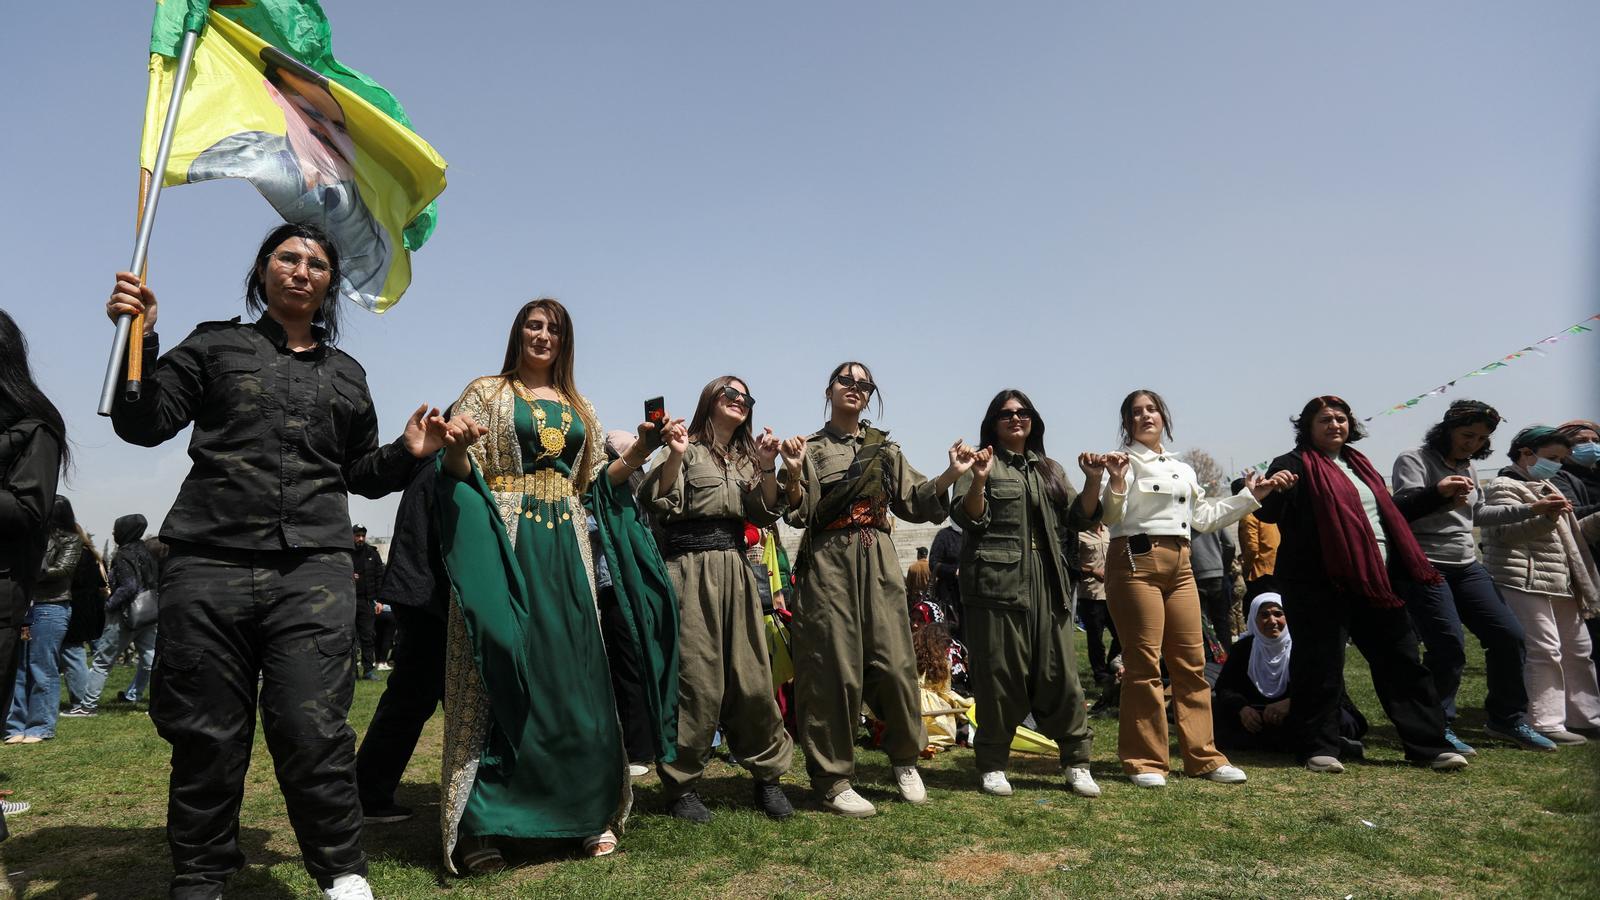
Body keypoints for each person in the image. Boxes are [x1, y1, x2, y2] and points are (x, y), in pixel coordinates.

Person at [106, 223, 441, 900]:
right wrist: (137, 336)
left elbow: (361, 474)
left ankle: (343, 873)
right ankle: (202, 874)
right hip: (207, 564)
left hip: (311, 572)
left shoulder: (348, 374)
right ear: (262, 271)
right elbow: (141, 423)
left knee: (313, 730)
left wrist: (410, 451)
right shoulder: (213, 345)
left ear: (328, 285)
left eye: (316, 263)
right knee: (207, 736)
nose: (301, 269)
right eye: (287, 257)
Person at [432, 297, 678, 871]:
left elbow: (593, 485)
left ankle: (586, 812)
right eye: (534, 325)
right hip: (509, 538)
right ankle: (482, 824)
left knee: (577, 675)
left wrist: (644, 446)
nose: (543, 335)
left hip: (568, 546)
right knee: (501, 664)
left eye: (554, 329)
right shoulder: (485, 392)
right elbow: (458, 472)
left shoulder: (580, 405)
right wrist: (456, 448)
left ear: (566, 342)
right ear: (518, 332)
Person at [778, 361, 974, 817]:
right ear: (829, 389)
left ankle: (905, 758)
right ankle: (833, 779)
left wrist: (950, 474)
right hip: (829, 561)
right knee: (833, 669)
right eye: (846, 380)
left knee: (895, 662)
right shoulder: (808, 448)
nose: (855, 388)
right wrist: (790, 472)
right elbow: (799, 513)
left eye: (864, 384)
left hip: (880, 558)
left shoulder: (884, 449)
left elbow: (917, 501)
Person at [1255, 395, 1468, 773]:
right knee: (1320, 667)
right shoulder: (1291, 464)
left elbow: (1392, 514)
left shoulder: (1362, 467)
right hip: (1318, 585)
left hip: (1377, 582)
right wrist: (1276, 488)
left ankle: (1429, 747)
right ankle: (1319, 748)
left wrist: (1436, 494)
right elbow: (1269, 514)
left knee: (1402, 662)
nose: (1334, 425)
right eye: (1325, 419)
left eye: (1340, 419)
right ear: (1307, 427)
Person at [1098, 389, 1292, 788]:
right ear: (1126, 423)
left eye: (1152, 409)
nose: (1145, 416)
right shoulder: (1122, 462)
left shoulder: (1182, 469)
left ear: (1164, 418)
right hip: (1136, 561)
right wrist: (1116, 481)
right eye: (1135, 413)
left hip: (1182, 565)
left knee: (1192, 663)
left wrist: (1250, 497)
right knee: (1144, 666)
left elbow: (1202, 517)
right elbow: (1109, 516)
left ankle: (1203, 756)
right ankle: (1145, 760)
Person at [639, 375, 794, 823]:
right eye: (731, 394)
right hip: (689, 569)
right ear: (711, 400)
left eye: (746, 398)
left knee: (752, 679)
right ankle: (682, 785)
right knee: (698, 680)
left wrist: (767, 466)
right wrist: (675, 454)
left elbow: (765, 511)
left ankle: (768, 778)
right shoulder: (687, 448)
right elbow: (659, 500)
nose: (740, 402)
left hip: (737, 571)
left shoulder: (748, 457)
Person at [951, 389, 1104, 798]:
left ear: (1033, 420)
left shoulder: (1049, 469)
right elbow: (969, 516)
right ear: (993, 422)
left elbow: (1081, 516)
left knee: (1061, 675)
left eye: (1022, 412)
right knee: (1000, 674)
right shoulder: (981, 464)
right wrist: (980, 481)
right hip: (996, 587)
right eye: (1006, 413)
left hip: (1049, 582)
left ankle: (1076, 761)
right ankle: (993, 763)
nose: (1015, 418)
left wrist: (1093, 480)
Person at [1391, 400, 1558, 752]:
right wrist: (1439, 494)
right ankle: (1437, 725)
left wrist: (1532, 509)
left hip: (1466, 565)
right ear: (1447, 429)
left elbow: (1477, 514)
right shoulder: (1414, 459)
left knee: (1509, 636)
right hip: (1425, 564)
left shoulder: (1468, 467)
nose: (1473, 443)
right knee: (1449, 646)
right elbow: (1401, 508)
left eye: (1482, 438)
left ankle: (1506, 719)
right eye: (1467, 434)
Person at [1480, 427, 1600, 743]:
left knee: (1579, 649)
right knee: (1544, 650)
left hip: (1560, 579)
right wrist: (1545, 516)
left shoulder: (1545, 485)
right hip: (1521, 579)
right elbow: (1504, 533)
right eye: (1552, 457)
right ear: (1525, 452)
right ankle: (1544, 721)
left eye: (1561, 459)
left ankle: (1585, 717)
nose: (1557, 465)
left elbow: (1574, 535)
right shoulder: (1503, 485)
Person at [0, 308, 67, 834]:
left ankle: (40, 726)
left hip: (12, 596)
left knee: (42, 668)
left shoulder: (32, 430)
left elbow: (25, 512)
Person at [355, 461, 448, 825]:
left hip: (422, 597)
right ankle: (368, 793)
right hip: (428, 601)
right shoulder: (444, 471)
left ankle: (368, 791)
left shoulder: (430, 470)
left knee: (409, 699)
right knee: (410, 699)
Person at [1211, 594, 1368, 764]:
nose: (1272, 621)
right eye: (1264, 615)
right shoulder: (1243, 648)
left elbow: (1327, 687)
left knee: (1324, 715)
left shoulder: (1305, 646)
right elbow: (1225, 687)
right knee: (1215, 712)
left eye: (1278, 614)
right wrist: (1242, 709)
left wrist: (1292, 703)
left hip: (1300, 712)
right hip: (1258, 717)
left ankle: (1324, 743)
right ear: (1253, 619)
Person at [5, 496, 79, 744]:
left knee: (42, 667)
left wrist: (31, 571)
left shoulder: (71, 539)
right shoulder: (30, 537)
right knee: (18, 667)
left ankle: (40, 726)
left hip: (51, 605)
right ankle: (14, 725)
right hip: (25, 604)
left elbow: (63, 570)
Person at [79, 516, 161, 713]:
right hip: (149, 613)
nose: (114, 533)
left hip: (125, 615)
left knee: (101, 663)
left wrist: (109, 604)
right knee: (153, 662)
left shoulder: (124, 554)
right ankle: (160, 701)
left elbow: (128, 586)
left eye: (116, 529)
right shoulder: (146, 552)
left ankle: (87, 706)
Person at [1552, 420, 1600, 653]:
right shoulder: (1559, 476)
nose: (1590, 446)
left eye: (1595, 441)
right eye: (1581, 441)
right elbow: (1572, 516)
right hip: (1586, 558)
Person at [59, 522, 109, 715]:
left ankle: (81, 702)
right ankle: (84, 701)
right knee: (74, 654)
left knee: (72, 655)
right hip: (89, 608)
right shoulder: (91, 554)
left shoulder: (74, 553)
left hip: (75, 608)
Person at [1076, 523, 1119, 688]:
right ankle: (1100, 675)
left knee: (1120, 634)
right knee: (1096, 638)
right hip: (1091, 594)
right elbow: (1072, 561)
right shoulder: (1079, 535)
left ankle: (1111, 665)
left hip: (1112, 592)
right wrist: (1092, 571)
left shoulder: (1109, 531)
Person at [1233, 476, 1279, 601]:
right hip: (1274, 567)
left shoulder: (1248, 514)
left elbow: (1252, 548)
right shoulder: (1266, 510)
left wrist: (1245, 569)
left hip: (1259, 572)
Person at [350, 526, 384, 681]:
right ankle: (351, 671)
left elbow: (380, 577)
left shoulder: (372, 553)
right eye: (357, 535)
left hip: (367, 601)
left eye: (363, 535)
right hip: (349, 602)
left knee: (368, 637)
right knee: (349, 638)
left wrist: (380, 601)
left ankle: (368, 670)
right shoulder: (346, 553)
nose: (361, 539)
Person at [927, 523, 963, 633]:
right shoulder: (944, 535)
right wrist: (953, 571)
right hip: (950, 596)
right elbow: (933, 564)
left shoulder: (974, 534)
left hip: (972, 594)